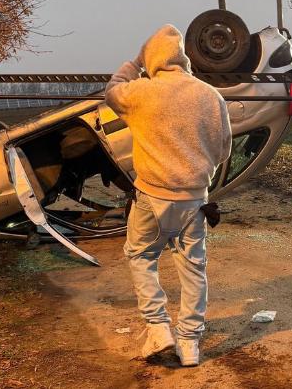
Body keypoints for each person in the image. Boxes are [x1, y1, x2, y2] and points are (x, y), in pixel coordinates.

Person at [105, 24, 232, 367]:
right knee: (193, 269)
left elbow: (112, 89)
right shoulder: (210, 96)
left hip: (151, 197)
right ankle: (189, 343)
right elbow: (223, 151)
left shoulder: (141, 92)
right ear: (184, 59)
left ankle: (159, 328)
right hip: (195, 201)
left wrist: (136, 61)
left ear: (152, 60)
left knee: (141, 256)